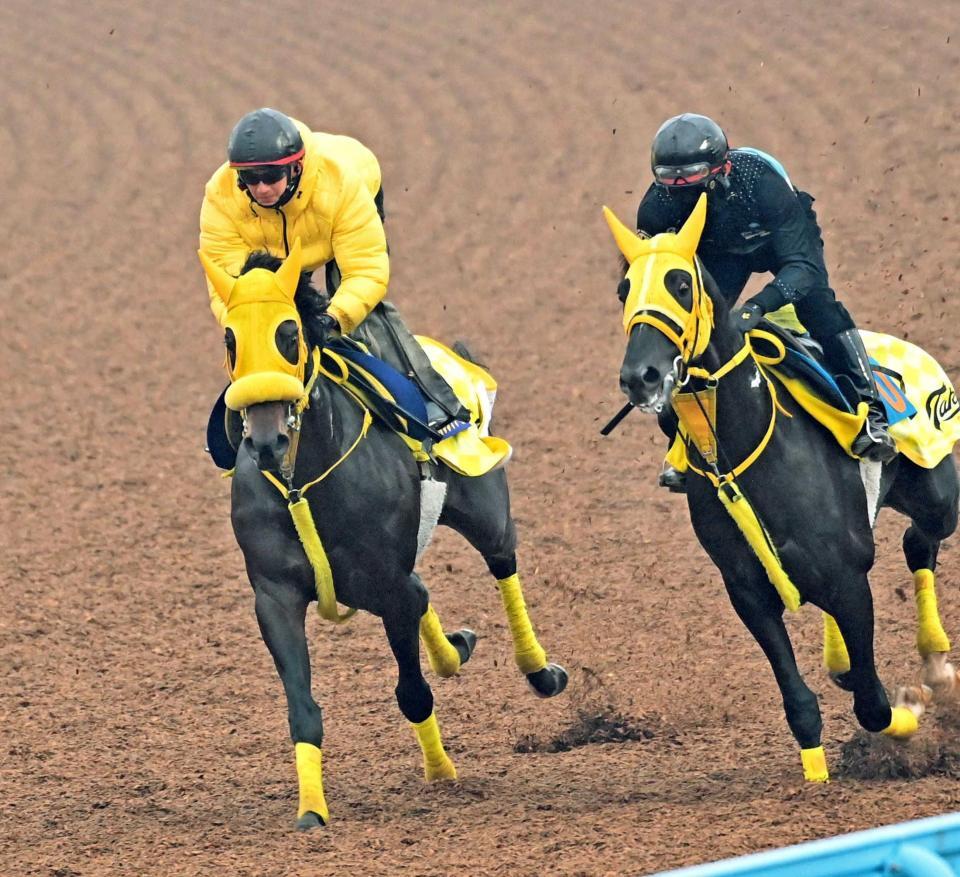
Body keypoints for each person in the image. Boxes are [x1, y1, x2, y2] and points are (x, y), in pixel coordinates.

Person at [634, 113, 896, 490]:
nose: (677, 187)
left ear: (720, 167)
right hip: (721, 252)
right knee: (696, 330)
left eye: (688, 176)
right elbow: (654, 276)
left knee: (819, 309)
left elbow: (803, 266)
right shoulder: (656, 208)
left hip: (779, 243)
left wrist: (754, 308)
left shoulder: (762, 184)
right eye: (668, 178)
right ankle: (685, 442)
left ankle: (871, 413)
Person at [199, 107, 467, 433]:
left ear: (296, 168)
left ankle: (434, 403)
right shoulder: (220, 194)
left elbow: (365, 272)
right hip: (269, 248)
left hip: (337, 221)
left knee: (363, 318)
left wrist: (332, 319)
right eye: (250, 179)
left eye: (271, 176)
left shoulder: (342, 183)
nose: (261, 188)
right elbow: (227, 286)